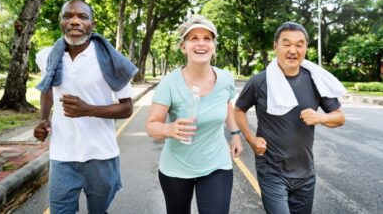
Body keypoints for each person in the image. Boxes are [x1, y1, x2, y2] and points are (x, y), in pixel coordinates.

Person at [33, 0, 138, 214]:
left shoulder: (111, 60)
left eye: (82, 17)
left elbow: (127, 108)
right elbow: (48, 89)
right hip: (62, 155)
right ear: (60, 21)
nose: (74, 21)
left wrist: (87, 109)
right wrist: (44, 119)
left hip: (101, 155)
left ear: (92, 24)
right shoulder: (46, 57)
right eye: (68, 16)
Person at [234, 22, 346, 214]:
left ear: (306, 48)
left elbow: (339, 117)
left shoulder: (315, 80)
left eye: (299, 44)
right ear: (275, 46)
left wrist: (319, 117)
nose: (293, 50)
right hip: (272, 171)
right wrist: (251, 140)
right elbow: (238, 110)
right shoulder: (259, 82)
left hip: (305, 172)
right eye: (286, 44)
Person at [146, 15, 243, 214]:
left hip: (216, 164)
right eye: (194, 38)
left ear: (214, 46)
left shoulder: (225, 79)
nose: (201, 43)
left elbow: (225, 104)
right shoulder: (169, 83)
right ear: (184, 47)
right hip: (176, 167)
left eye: (207, 38)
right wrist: (169, 128)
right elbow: (151, 125)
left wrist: (235, 135)